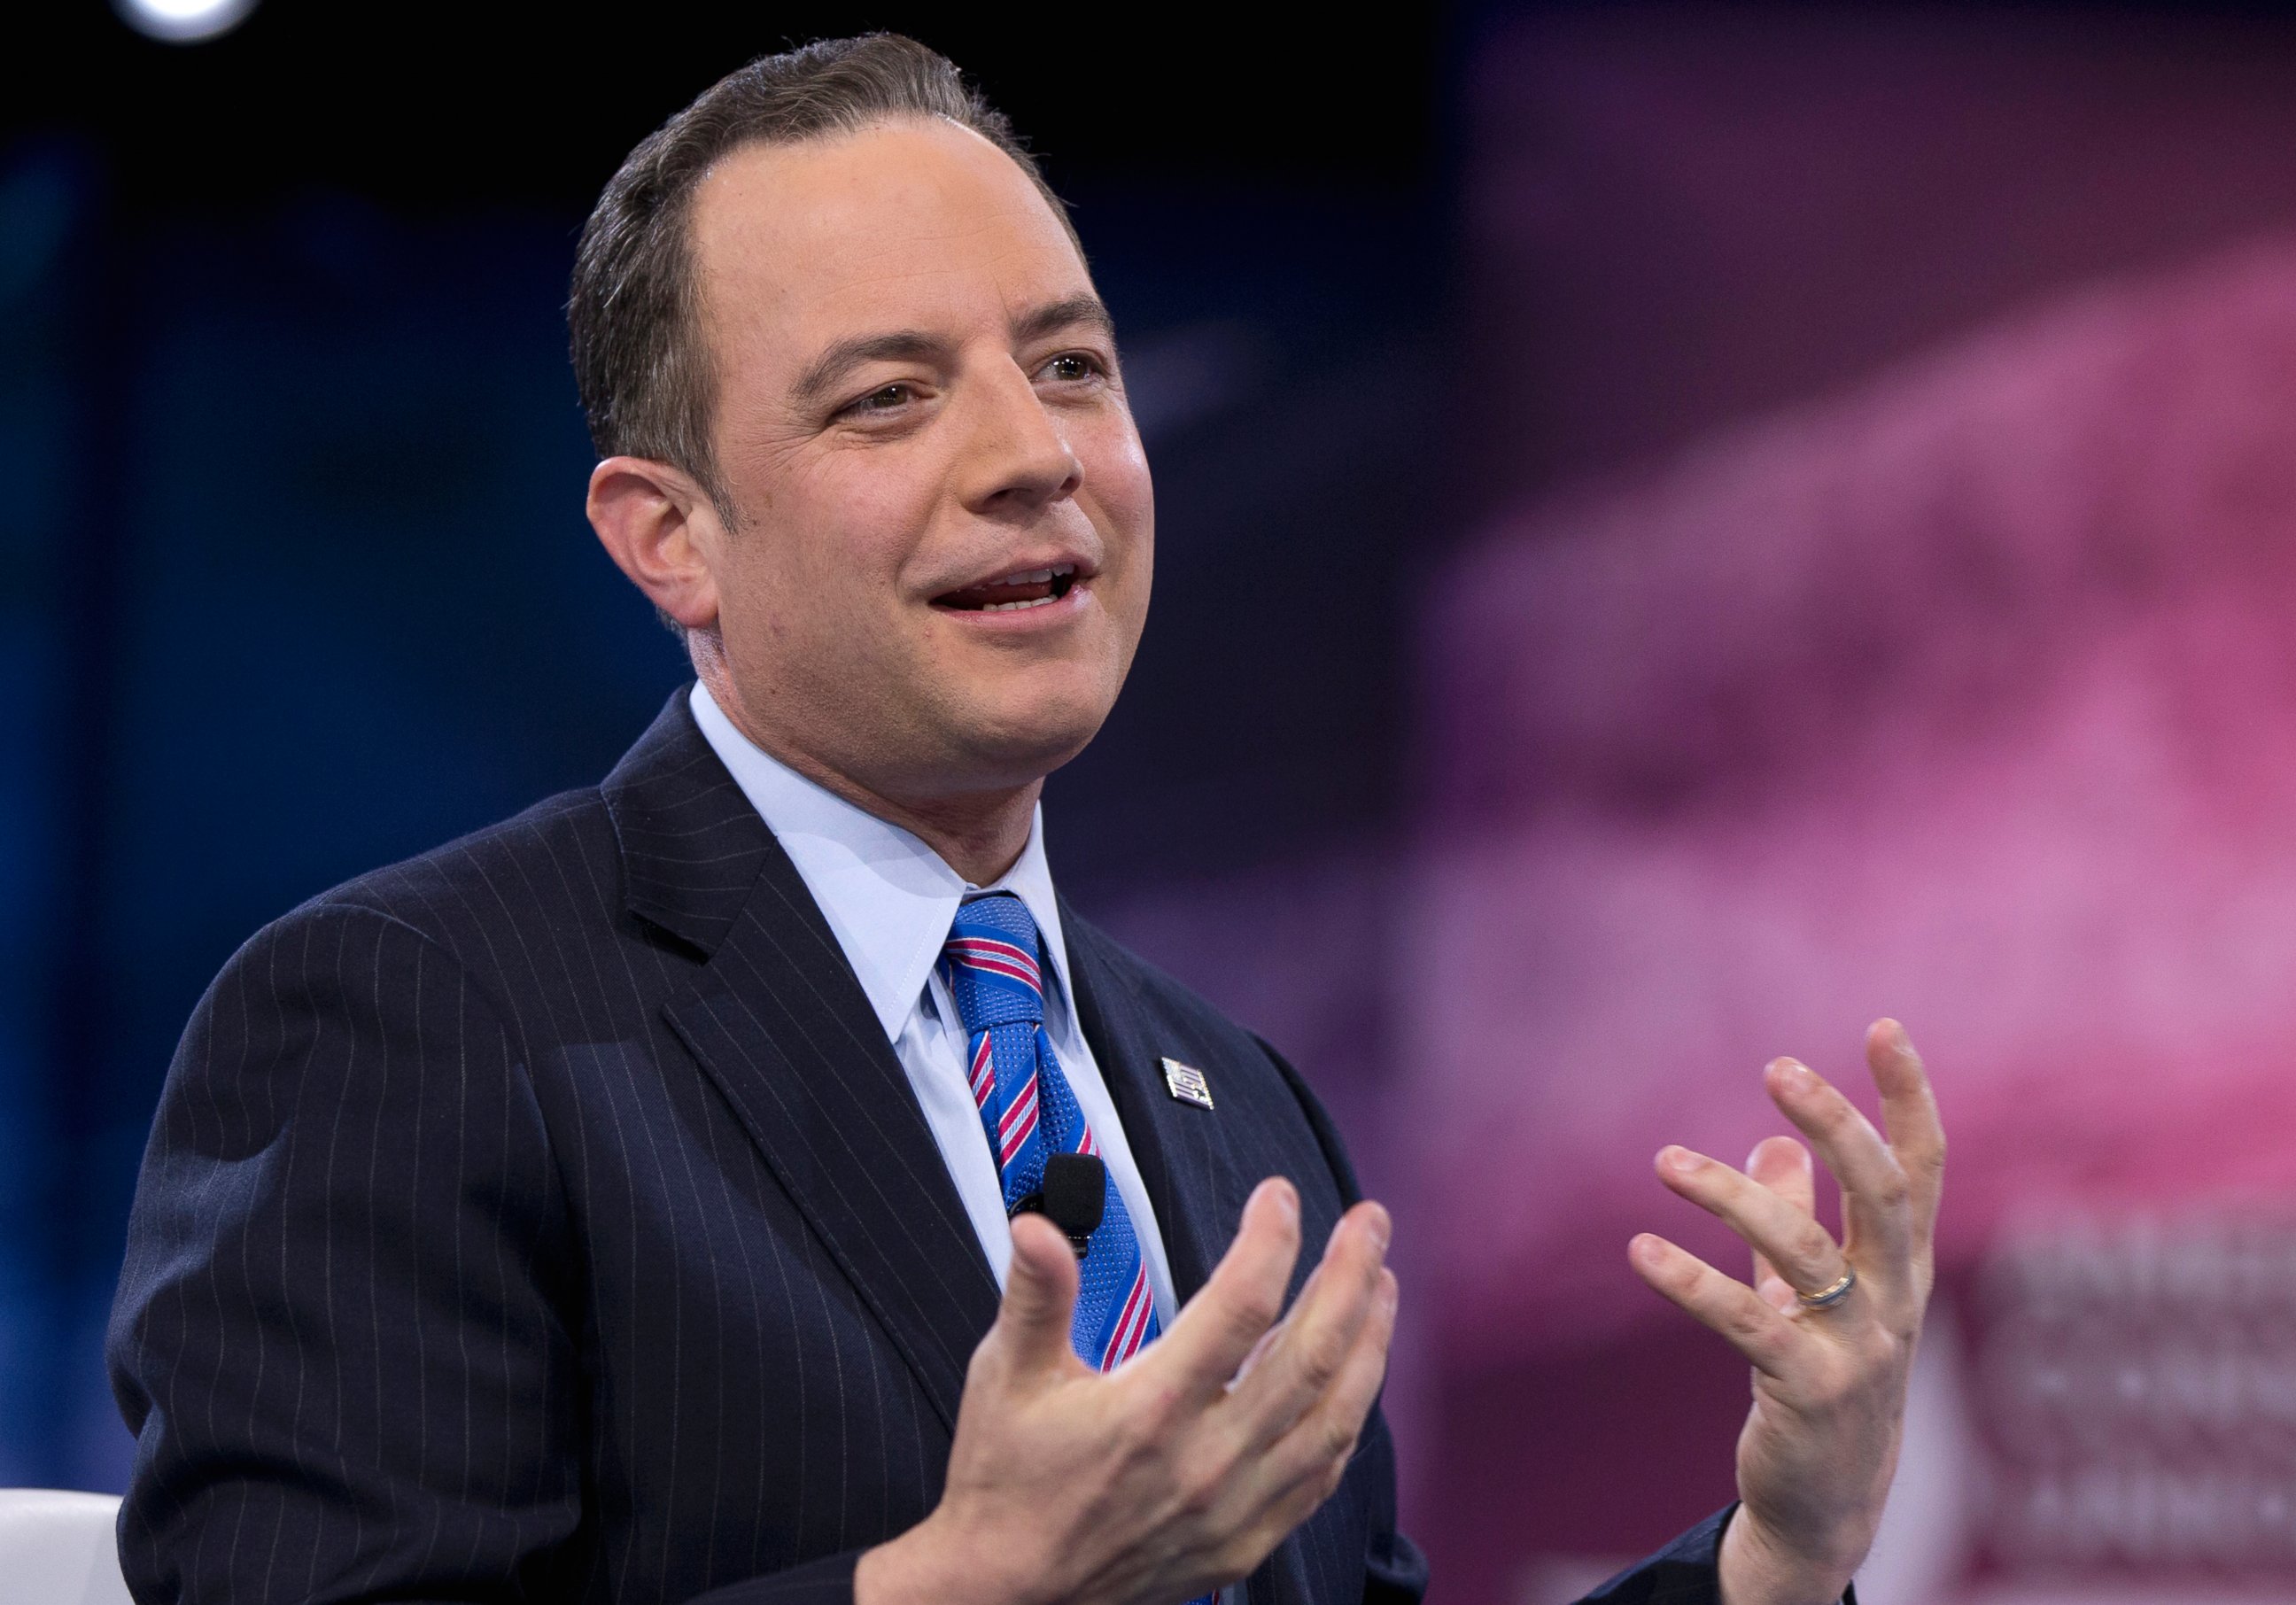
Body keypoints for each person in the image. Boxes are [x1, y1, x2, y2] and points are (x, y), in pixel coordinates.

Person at [106, 35, 1944, 1605]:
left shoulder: (1230, 1098)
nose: (1032, 455)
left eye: (1069, 365)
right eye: (890, 399)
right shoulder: (409, 1018)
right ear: (671, 539)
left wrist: (1778, 1551)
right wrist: (954, 1589)